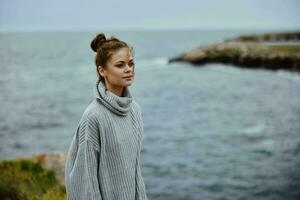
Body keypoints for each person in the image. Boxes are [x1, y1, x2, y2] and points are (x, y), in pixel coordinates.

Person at [65, 33, 148, 200]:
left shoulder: (134, 110)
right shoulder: (93, 117)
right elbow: (85, 181)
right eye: (120, 65)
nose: (128, 69)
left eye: (131, 63)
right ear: (102, 70)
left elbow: (135, 171)